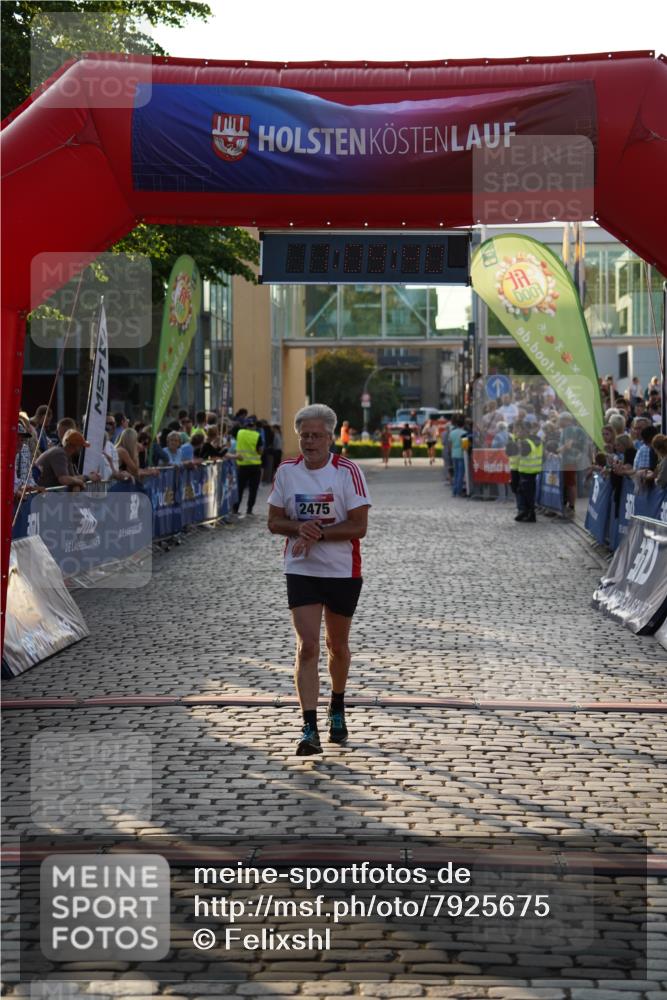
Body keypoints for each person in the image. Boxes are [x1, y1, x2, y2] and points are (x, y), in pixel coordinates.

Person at [267, 403, 371, 756]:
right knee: (307, 645)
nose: (309, 442)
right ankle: (308, 726)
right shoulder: (286, 472)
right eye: (304, 436)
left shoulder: (347, 472)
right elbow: (273, 521)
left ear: (330, 437)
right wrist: (298, 527)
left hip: (342, 569)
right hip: (301, 568)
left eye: (316, 436)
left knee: (337, 647)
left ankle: (337, 705)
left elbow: (359, 526)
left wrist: (320, 533)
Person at [34, 430, 100, 489]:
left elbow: (72, 477)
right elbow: (64, 479)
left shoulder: (65, 454)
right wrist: (84, 480)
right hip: (43, 496)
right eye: (81, 446)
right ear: (75, 446)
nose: (81, 450)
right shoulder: (59, 454)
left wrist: (88, 477)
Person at [233, 415, 263, 516]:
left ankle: (235, 509)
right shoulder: (257, 435)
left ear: (246, 425)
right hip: (255, 466)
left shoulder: (240, 433)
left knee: (240, 488)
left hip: (242, 465)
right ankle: (249, 509)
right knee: (253, 489)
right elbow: (260, 451)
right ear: (254, 425)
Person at [515, 416, 543, 522]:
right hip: (533, 470)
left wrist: (517, 447)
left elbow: (523, 453)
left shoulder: (526, 442)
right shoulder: (536, 440)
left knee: (528, 494)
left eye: (519, 430)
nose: (518, 432)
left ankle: (530, 514)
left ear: (525, 431)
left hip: (527, 471)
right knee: (527, 493)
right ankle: (527, 513)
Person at [449, 415, 466, 496]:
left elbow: (450, 444)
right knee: (461, 473)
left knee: (455, 473)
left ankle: (454, 491)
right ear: (463, 425)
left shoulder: (452, 432)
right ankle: (458, 491)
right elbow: (465, 446)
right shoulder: (464, 433)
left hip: (454, 454)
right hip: (461, 455)